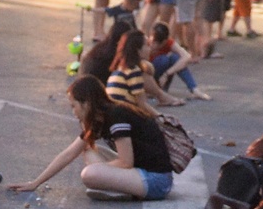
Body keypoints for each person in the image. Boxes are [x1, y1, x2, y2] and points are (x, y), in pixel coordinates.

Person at [13, 75, 173, 201]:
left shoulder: (116, 115)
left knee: (89, 174)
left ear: (87, 103)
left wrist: (101, 171)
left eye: (73, 106)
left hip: (156, 181)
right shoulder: (100, 117)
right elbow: (69, 153)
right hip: (140, 173)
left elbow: (126, 162)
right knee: (88, 150)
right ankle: (112, 187)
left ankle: (115, 189)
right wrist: (35, 182)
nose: (73, 112)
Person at [103, 30, 183, 109]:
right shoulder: (133, 71)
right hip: (123, 113)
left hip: (115, 111)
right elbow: (143, 105)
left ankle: (162, 97)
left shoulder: (121, 67)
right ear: (138, 50)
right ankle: (162, 97)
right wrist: (161, 116)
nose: (150, 49)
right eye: (147, 45)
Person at [148, 22, 209, 101]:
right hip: (149, 77)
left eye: (157, 44)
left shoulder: (169, 43)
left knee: (175, 58)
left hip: (162, 78)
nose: (154, 46)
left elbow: (186, 57)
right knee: (163, 60)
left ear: (165, 41)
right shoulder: (146, 43)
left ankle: (194, 89)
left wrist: (167, 74)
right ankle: (154, 91)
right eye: (153, 42)